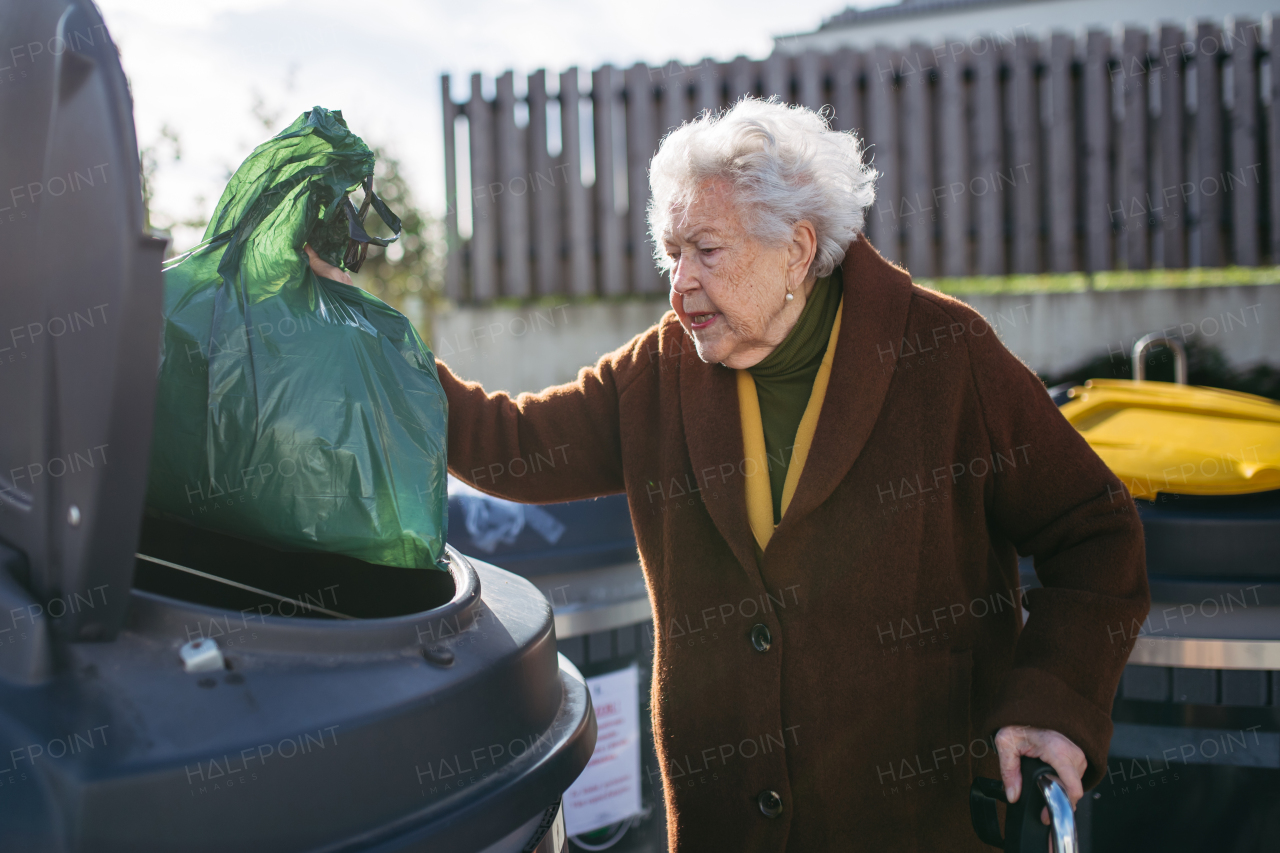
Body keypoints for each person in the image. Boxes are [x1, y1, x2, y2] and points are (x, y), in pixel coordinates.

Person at [310, 99, 1150, 851]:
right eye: (671, 254)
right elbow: (509, 441)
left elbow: (1094, 531)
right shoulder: (659, 374)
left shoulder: (945, 355)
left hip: (916, 820)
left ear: (797, 250)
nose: (681, 287)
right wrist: (359, 326)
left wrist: (1052, 702)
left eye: (706, 250)